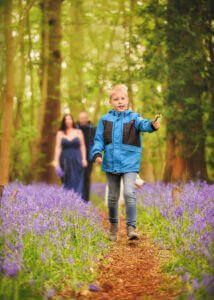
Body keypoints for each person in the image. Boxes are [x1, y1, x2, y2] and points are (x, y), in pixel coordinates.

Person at [91, 84, 160, 241]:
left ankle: (131, 228)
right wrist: (96, 154)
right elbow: (98, 140)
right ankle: (114, 227)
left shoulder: (135, 118)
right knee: (113, 197)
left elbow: (144, 125)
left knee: (129, 192)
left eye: (123, 98)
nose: (120, 102)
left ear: (128, 100)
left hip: (130, 162)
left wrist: (152, 125)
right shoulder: (104, 120)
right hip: (110, 163)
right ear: (110, 102)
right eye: (116, 99)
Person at [54, 114, 88, 199]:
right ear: (64, 121)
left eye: (70, 119)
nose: (68, 121)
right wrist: (56, 162)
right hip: (65, 161)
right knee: (66, 181)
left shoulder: (78, 132)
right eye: (66, 119)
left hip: (77, 159)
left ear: (72, 120)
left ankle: (78, 202)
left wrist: (84, 159)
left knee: (78, 181)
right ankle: (68, 202)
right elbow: (58, 148)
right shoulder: (60, 133)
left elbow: (83, 146)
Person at [76, 112, 96, 201]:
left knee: (86, 178)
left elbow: (96, 142)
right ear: (79, 119)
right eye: (81, 118)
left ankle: (86, 200)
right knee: (77, 178)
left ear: (87, 119)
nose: (83, 120)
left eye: (85, 118)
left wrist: (95, 155)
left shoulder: (92, 129)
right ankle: (76, 198)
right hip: (76, 157)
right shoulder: (74, 128)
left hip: (89, 157)